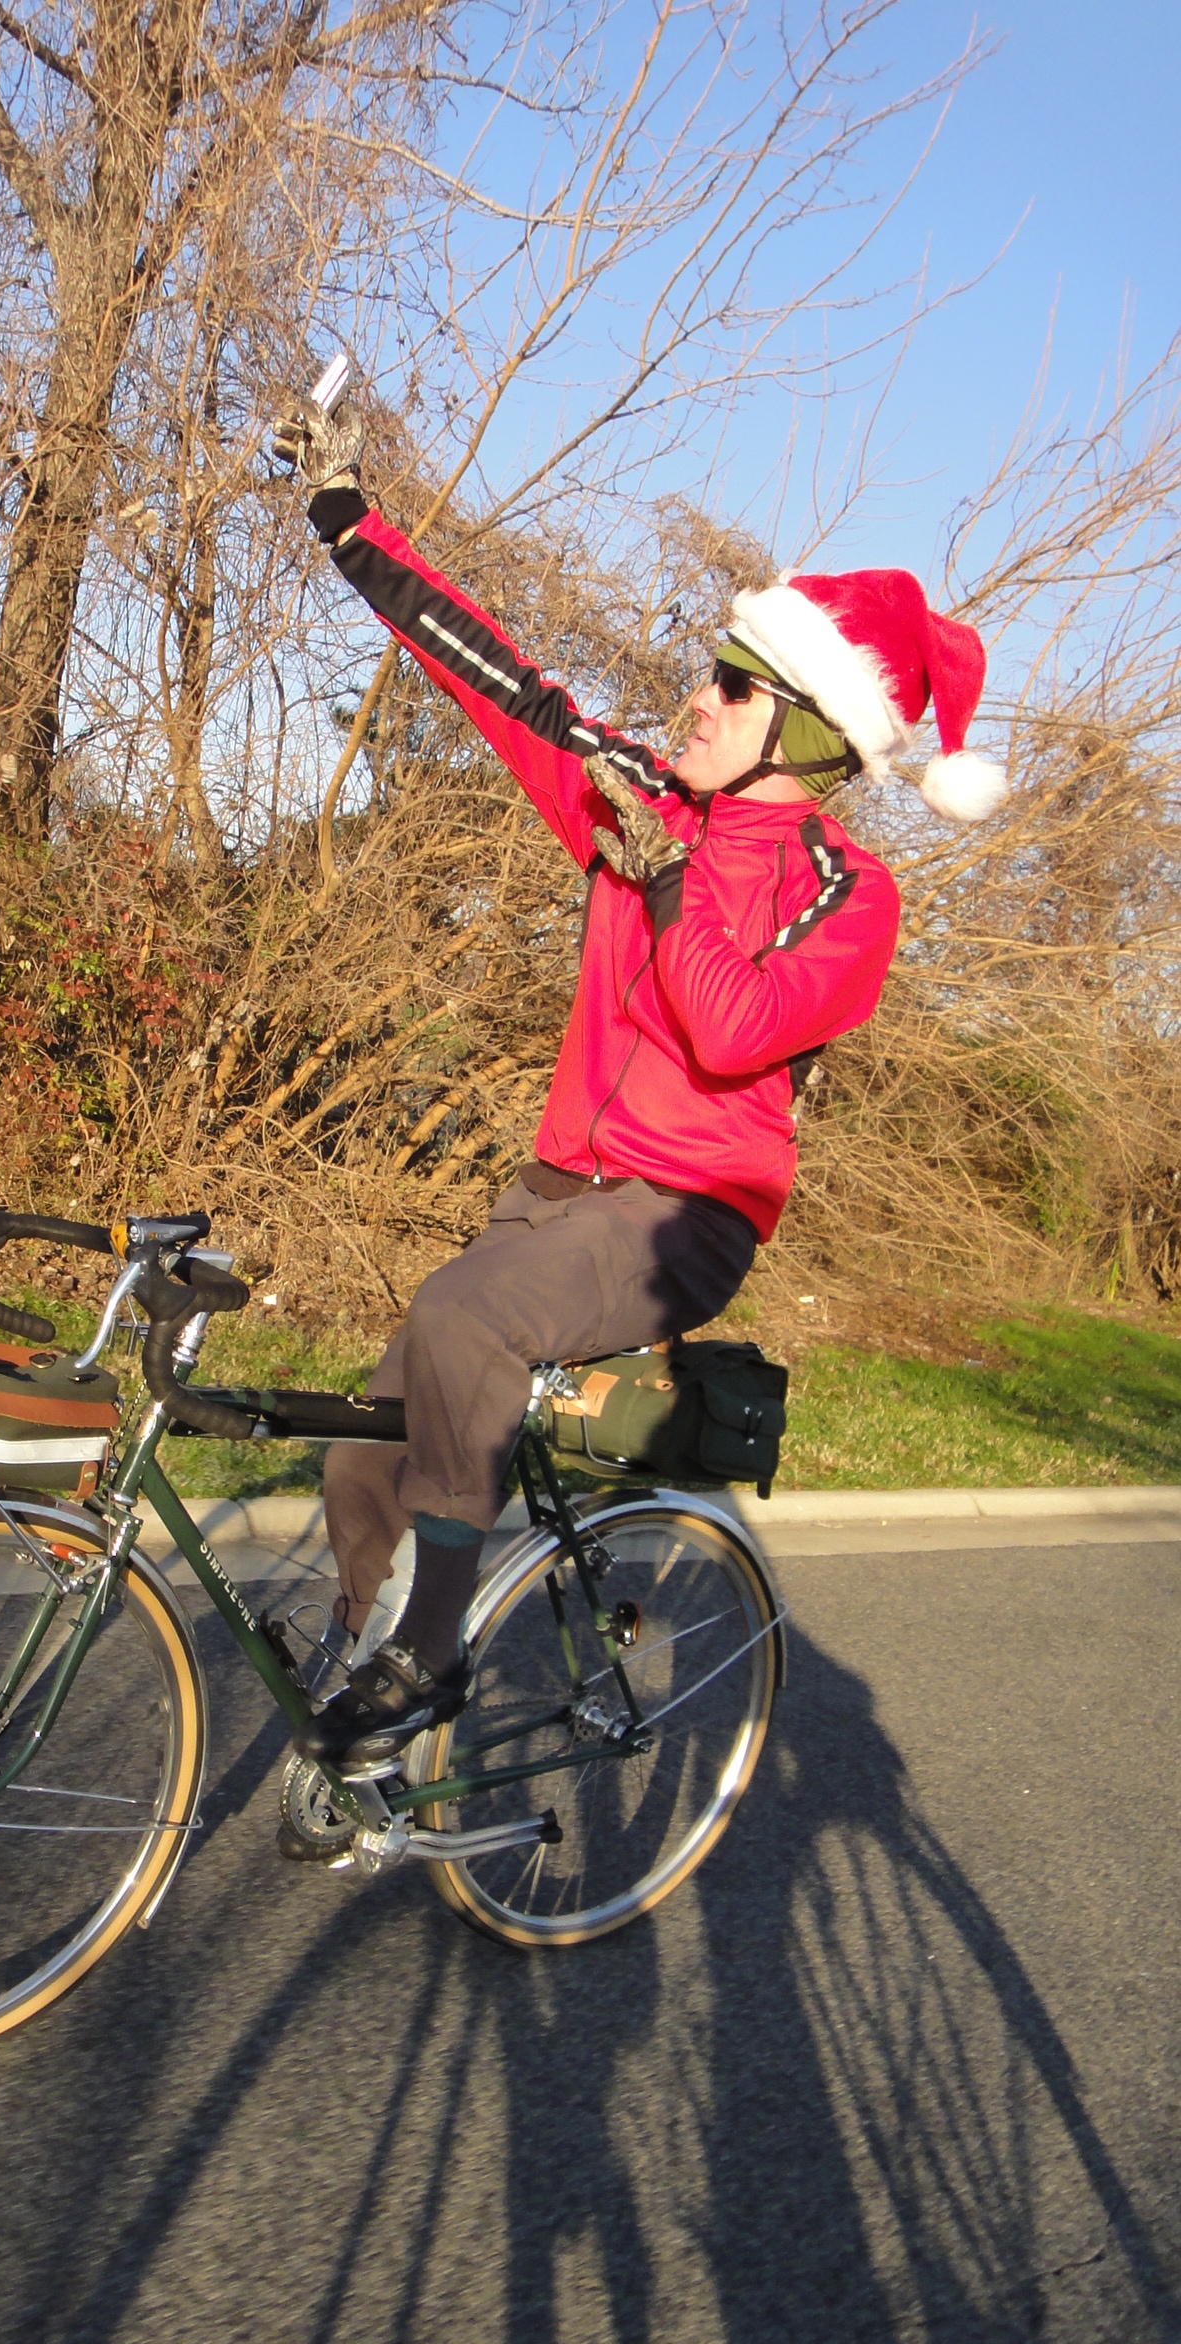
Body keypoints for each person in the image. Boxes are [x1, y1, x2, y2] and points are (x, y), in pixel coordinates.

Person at [271, 396, 1008, 1766]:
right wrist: (350, 525)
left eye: (735, 684)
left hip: (686, 1221)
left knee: (465, 1318)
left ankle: (428, 1657)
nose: (698, 694)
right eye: (708, 671)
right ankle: (359, 1666)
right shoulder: (645, 800)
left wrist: (666, 874)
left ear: (808, 733)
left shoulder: (851, 895)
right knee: (374, 1431)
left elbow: (730, 1030)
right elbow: (502, 681)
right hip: (556, 1190)